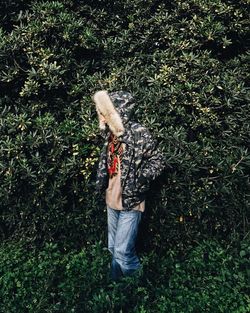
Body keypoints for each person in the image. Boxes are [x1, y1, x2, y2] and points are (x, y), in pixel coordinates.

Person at [93, 90, 165, 281]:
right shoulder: (110, 134)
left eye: (107, 112)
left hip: (131, 201)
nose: (103, 116)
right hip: (111, 199)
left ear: (118, 111)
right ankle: (116, 287)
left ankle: (139, 289)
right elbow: (107, 162)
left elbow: (157, 160)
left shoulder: (138, 133)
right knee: (112, 248)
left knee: (123, 251)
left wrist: (140, 181)